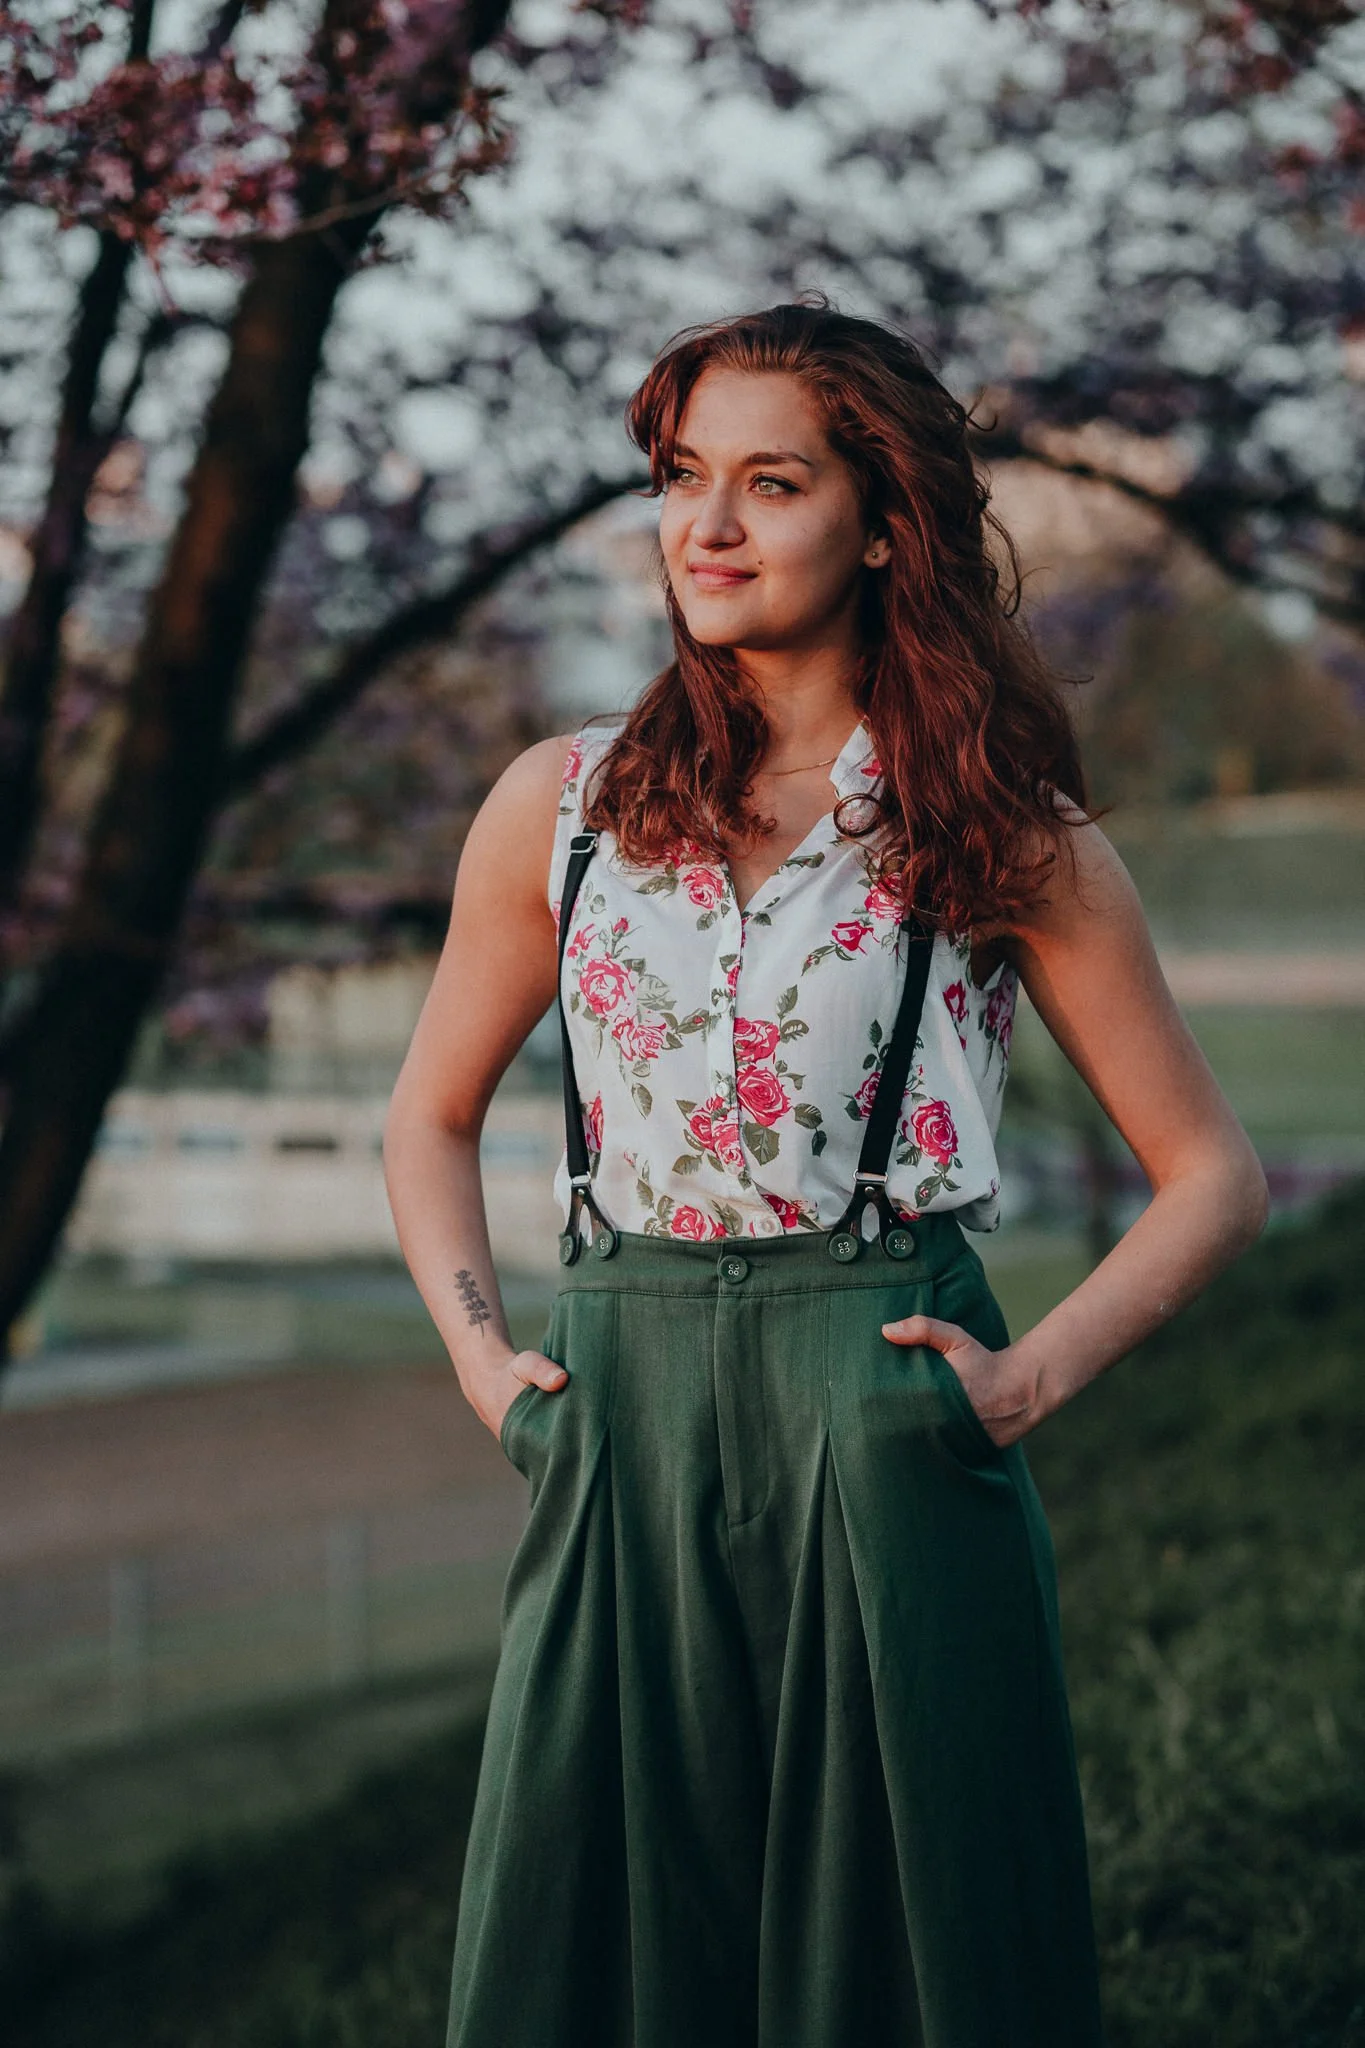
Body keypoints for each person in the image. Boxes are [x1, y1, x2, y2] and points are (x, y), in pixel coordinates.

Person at [383, 298, 1269, 2048]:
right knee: (594, 1938)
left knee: (916, 1952)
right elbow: (428, 1114)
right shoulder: (557, 806)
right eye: (681, 476)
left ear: (883, 524)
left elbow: (1211, 1175)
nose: (706, 527)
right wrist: (492, 1369)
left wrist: (1021, 1385)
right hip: (619, 1403)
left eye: (769, 483)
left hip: (880, 1400)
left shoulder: (997, 823)